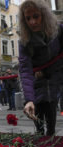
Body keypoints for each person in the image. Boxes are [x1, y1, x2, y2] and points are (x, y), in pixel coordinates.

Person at [18, 0, 63, 136]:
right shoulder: (24, 41)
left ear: (43, 15)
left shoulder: (59, 30)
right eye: (28, 18)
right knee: (38, 125)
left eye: (36, 16)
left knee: (51, 124)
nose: (32, 22)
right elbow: (25, 70)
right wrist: (29, 100)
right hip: (36, 85)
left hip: (55, 81)